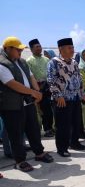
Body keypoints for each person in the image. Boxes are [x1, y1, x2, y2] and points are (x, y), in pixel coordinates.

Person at [0, 36, 53, 172]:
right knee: (16, 134)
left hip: (27, 103)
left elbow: (31, 77)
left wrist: (37, 91)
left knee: (33, 129)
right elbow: (12, 83)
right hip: (11, 105)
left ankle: (39, 153)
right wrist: (33, 93)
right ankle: (20, 161)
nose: (20, 52)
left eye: (21, 49)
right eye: (17, 49)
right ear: (7, 49)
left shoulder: (22, 61)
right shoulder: (2, 63)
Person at [47, 38, 85, 157]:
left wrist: (82, 93)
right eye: (70, 48)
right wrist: (58, 96)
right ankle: (62, 148)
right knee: (63, 125)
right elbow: (51, 80)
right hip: (62, 99)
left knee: (76, 122)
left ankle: (74, 143)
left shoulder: (74, 62)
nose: (72, 50)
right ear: (61, 49)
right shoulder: (54, 62)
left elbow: (79, 78)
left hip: (75, 98)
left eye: (73, 47)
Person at [26, 39, 54, 137]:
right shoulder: (28, 61)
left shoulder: (46, 59)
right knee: (40, 110)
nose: (39, 48)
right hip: (37, 88)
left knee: (49, 109)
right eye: (37, 47)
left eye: (40, 46)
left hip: (48, 87)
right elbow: (29, 76)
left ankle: (49, 129)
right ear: (31, 49)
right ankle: (40, 129)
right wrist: (35, 88)